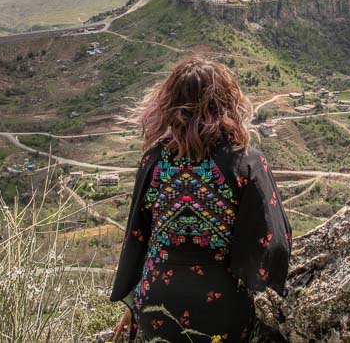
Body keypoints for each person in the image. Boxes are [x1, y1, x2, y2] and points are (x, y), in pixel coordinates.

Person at [110, 57, 292, 342]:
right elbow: (274, 241)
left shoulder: (153, 162)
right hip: (221, 302)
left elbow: (137, 237)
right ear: (228, 104)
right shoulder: (247, 163)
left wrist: (134, 304)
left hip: (156, 299)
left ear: (168, 104)